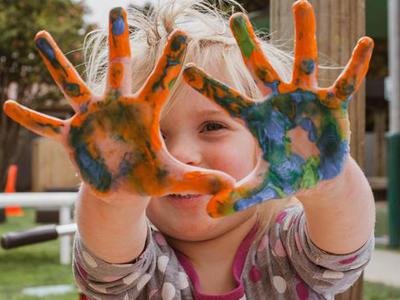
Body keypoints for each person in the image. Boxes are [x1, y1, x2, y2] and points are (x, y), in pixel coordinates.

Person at [3, 0, 375, 299]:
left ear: (265, 143)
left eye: (212, 127)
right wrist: (115, 200)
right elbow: (109, 250)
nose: (181, 153)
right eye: (152, 138)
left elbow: (343, 247)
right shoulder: (137, 262)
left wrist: (330, 182)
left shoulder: (288, 245)